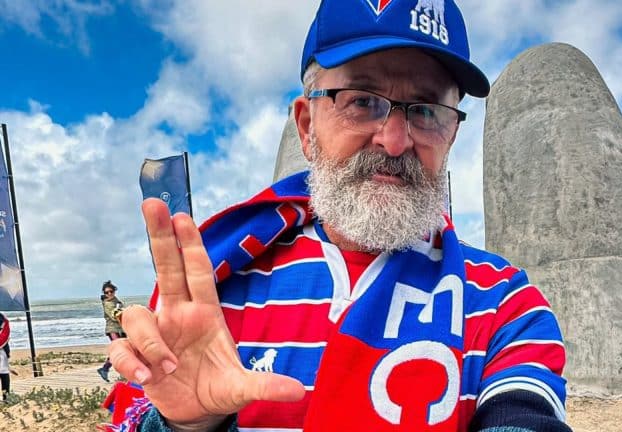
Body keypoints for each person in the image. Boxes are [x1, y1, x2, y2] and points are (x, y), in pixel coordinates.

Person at [109, 1, 571, 431]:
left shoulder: (506, 305)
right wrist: (188, 425)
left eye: (426, 110)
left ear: (450, 135)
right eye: (362, 101)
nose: (395, 141)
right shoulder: (215, 292)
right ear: (307, 127)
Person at [97, 280, 125, 382]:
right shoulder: (107, 304)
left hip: (121, 329)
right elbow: (114, 317)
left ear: (114, 291)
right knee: (119, 349)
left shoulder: (117, 302)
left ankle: (106, 369)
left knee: (124, 350)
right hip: (112, 329)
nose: (109, 294)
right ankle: (106, 369)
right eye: (106, 292)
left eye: (111, 291)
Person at [0, 312, 10, 401]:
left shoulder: (2, 318)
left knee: (4, 374)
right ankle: (6, 398)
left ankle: (6, 398)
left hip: (2, 350)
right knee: (4, 374)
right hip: (2, 349)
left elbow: (4, 335)